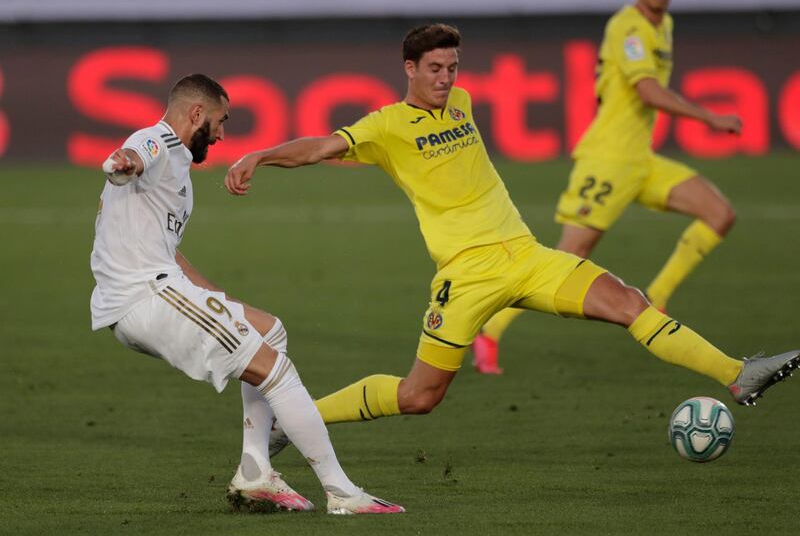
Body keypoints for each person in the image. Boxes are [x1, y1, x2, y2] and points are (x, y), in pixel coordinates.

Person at [224, 25, 798, 452]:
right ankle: (294, 424)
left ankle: (736, 373)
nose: (446, 78)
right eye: (434, 69)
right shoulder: (386, 127)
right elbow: (320, 147)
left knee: (629, 302)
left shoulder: (464, 103)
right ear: (409, 69)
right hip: (465, 275)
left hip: (527, 256)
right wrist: (260, 154)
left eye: (452, 67)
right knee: (419, 396)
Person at [89, 74, 403, 515]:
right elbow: (135, 156)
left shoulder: (178, 168)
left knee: (269, 331)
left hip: (160, 288)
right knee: (276, 371)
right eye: (221, 121)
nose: (221, 133)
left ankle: (256, 472)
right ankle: (342, 492)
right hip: (145, 298)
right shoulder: (156, 140)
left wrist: (220, 300)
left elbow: (168, 253)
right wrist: (123, 162)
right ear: (196, 114)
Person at [473, 0, 744, 375]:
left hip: (642, 161)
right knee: (566, 257)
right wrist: (709, 116)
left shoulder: (664, 25)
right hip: (607, 162)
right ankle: (490, 329)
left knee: (719, 213)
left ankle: (657, 296)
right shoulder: (627, 27)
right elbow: (648, 92)